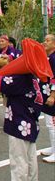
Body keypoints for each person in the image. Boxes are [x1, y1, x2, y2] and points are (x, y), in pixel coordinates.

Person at [0, 44, 44, 181]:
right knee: (30, 158)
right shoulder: (33, 77)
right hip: (30, 122)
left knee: (18, 158)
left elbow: (2, 83)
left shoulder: (22, 78)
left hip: (19, 122)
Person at [40, 34, 55, 163]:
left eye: (48, 40)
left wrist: (53, 95)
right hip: (47, 92)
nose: (45, 42)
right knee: (49, 123)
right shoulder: (49, 57)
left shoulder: (54, 58)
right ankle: (53, 147)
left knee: (53, 124)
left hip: (52, 94)